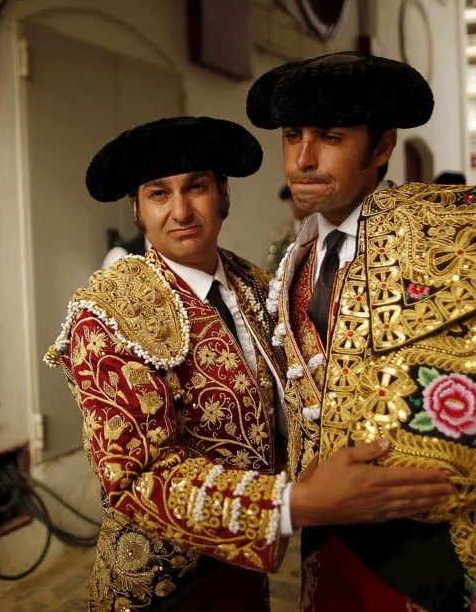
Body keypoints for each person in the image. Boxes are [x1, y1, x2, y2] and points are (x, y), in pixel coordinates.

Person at [43, 116, 451, 612]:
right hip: (164, 587)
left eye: (196, 187)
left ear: (224, 195)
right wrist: (296, 504)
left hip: (244, 569)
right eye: (158, 194)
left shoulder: (257, 285)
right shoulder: (109, 311)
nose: (180, 211)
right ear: (137, 209)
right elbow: (135, 478)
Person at [246, 52, 476, 611]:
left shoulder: (449, 234)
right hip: (329, 540)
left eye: (330, 137)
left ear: (381, 148)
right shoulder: (296, 257)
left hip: (438, 548)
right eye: (293, 137)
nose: (303, 159)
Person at [266, 185, 307, 272]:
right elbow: (271, 262)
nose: (294, 204)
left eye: (299, 199)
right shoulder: (280, 230)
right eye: (291, 199)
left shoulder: (318, 227)